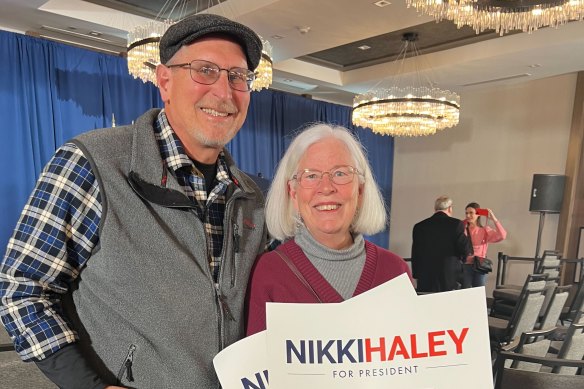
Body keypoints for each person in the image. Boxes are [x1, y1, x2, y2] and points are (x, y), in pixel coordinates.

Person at [0, 14, 267, 389]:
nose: (224, 92)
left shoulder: (251, 196)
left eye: (238, 76)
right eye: (205, 70)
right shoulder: (93, 162)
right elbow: (23, 287)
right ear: (164, 81)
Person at [245, 123, 411, 335]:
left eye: (340, 173)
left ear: (360, 190)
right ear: (293, 194)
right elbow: (257, 366)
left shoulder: (395, 272)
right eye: (311, 176)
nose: (326, 187)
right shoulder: (268, 272)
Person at [411, 196, 472, 293]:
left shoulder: (419, 226)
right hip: (449, 274)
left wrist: (416, 274)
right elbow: (465, 249)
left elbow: (415, 252)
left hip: (425, 275)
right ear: (450, 208)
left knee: (427, 304)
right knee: (447, 305)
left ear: (435, 209)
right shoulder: (456, 224)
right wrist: (462, 259)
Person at [462, 202, 507, 288]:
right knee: (465, 292)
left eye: (471, 213)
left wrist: (494, 219)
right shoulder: (462, 228)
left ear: (478, 214)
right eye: (466, 213)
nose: (468, 215)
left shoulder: (484, 230)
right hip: (465, 265)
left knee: (479, 292)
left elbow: (502, 235)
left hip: (480, 266)